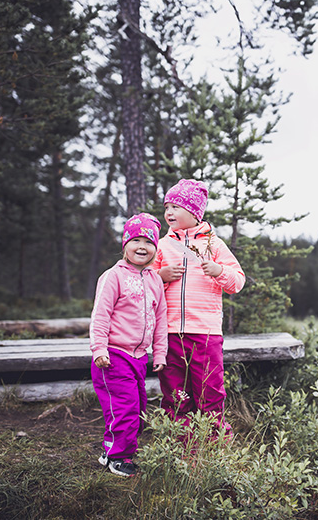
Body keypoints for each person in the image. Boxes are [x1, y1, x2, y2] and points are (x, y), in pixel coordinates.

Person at [153, 179, 245, 437]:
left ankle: (214, 440)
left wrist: (219, 271)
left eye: (175, 207)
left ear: (194, 212)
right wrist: (161, 275)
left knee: (209, 389)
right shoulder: (162, 246)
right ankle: (181, 439)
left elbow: (237, 281)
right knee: (175, 390)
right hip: (170, 333)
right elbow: (145, 282)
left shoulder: (213, 244)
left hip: (205, 334)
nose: (169, 212)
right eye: (166, 207)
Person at [89, 213, 168, 477]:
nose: (142, 246)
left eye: (149, 241)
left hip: (139, 358)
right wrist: (99, 349)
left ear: (156, 248)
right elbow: (100, 315)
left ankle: (111, 450)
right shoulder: (113, 276)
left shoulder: (155, 279)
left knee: (139, 408)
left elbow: (160, 319)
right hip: (113, 355)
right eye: (136, 240)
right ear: (125, 245)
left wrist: (160, 352)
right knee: (125, 408)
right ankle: (119, 457)